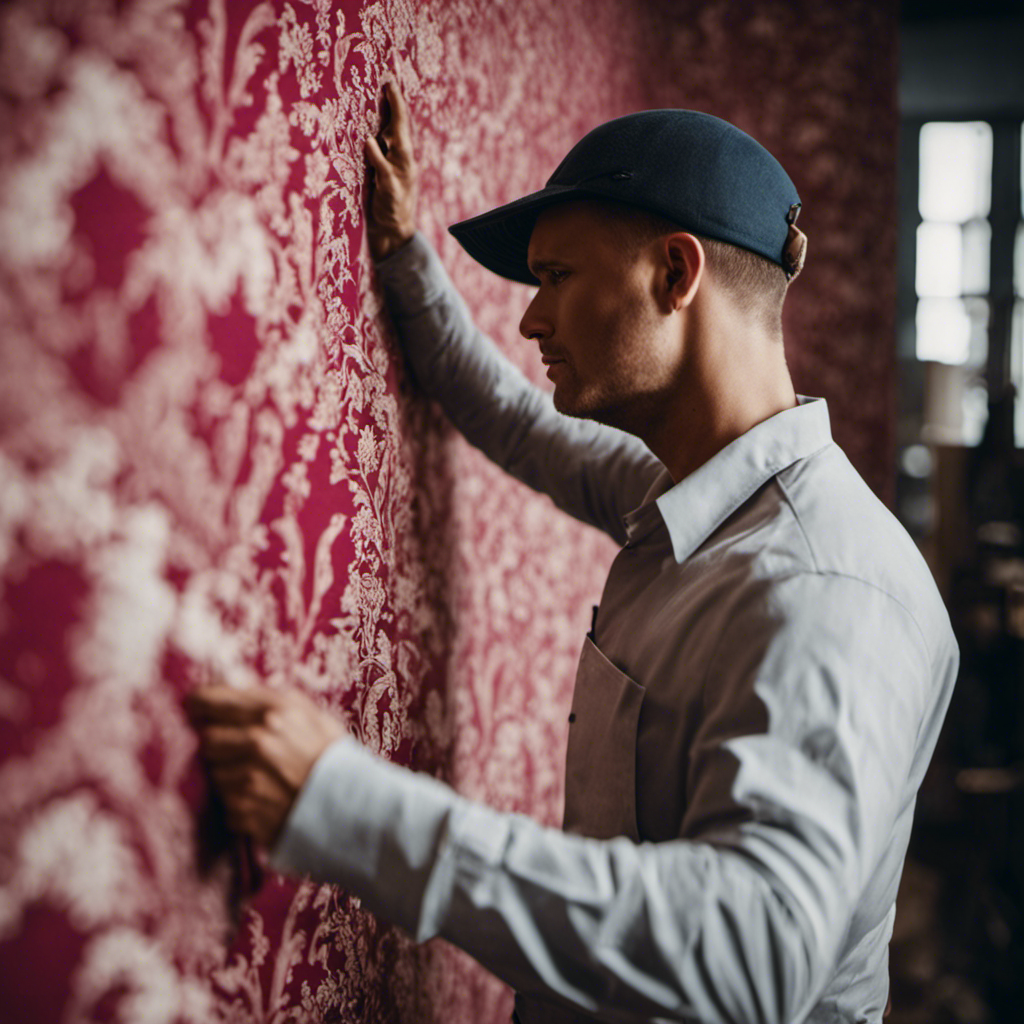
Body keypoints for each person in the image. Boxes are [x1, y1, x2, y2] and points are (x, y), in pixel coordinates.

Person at [187, 84, 959, 1024]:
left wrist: (345, 808)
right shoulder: (680, 492)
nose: (530, 321)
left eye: (556, 278)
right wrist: (399, 258)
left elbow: (757, 958)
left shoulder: (825, 589)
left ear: (676, 275)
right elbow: (512, 419)